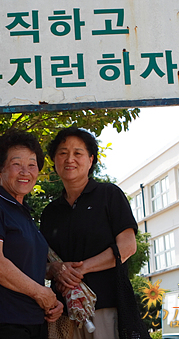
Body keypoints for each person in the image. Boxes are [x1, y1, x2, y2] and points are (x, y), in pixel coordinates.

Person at [40, 126, 138, 339]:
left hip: (105, 309)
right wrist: (56, 269)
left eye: (78, 153)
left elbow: (128, 246)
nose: (70, 159)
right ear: (54, 160)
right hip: (63, 314)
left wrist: (81, 269)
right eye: (63, 153)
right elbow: (41, 263)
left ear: (91, 159)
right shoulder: (50, 212)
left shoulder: (109, 195)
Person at [0, 130, 64, 339]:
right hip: (1, 323)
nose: (25, 171)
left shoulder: (23, 213)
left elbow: (23, 264)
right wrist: (41, 293)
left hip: (33, 322)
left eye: (32, 164)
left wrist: (51, 300)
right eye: (17, 164)